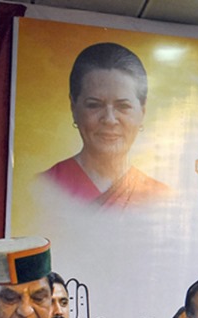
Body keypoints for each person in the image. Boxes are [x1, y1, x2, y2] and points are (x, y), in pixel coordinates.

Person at [38, 42, 168, 209]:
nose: (110, 119)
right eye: (94, 105)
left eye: (123, 106)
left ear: (142, 111)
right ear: (73, 107)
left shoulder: (160, 198)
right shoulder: (43, 188)